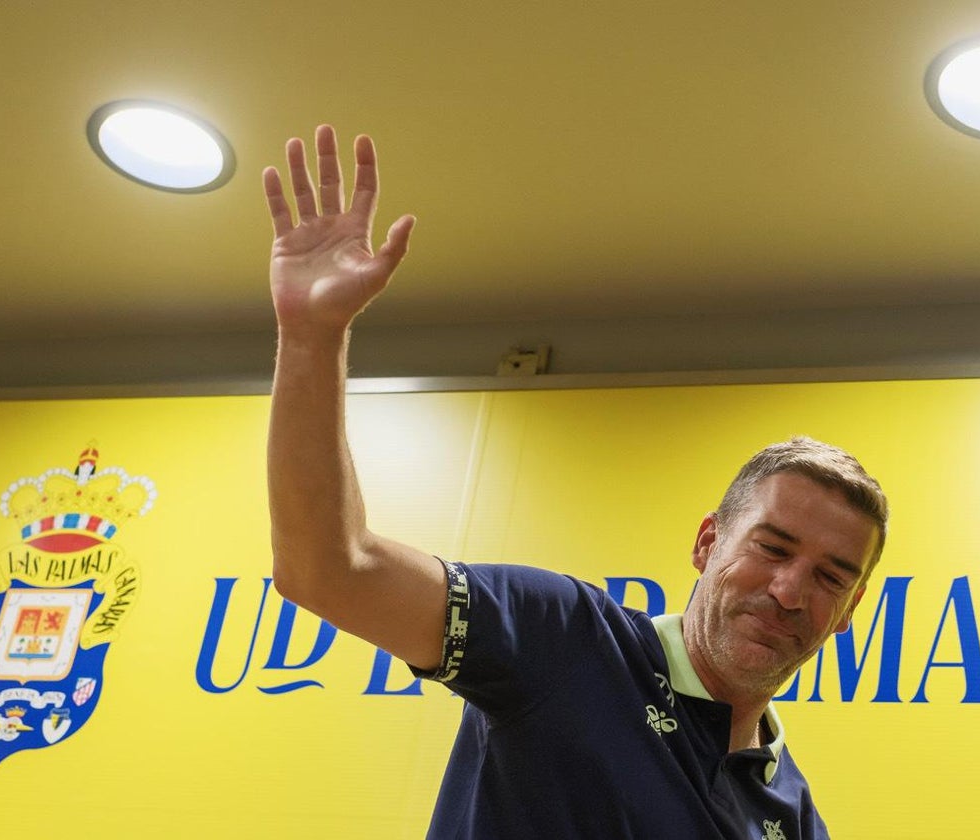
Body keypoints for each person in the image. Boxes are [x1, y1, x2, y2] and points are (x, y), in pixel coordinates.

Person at [263, 126, 889, 839]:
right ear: (708, 542)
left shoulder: (792, 815)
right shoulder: (566, 640)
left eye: (829, 576)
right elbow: (328, 570)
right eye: (773, 548)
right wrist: (313, 335)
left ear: (848, 611)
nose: (788, 592)